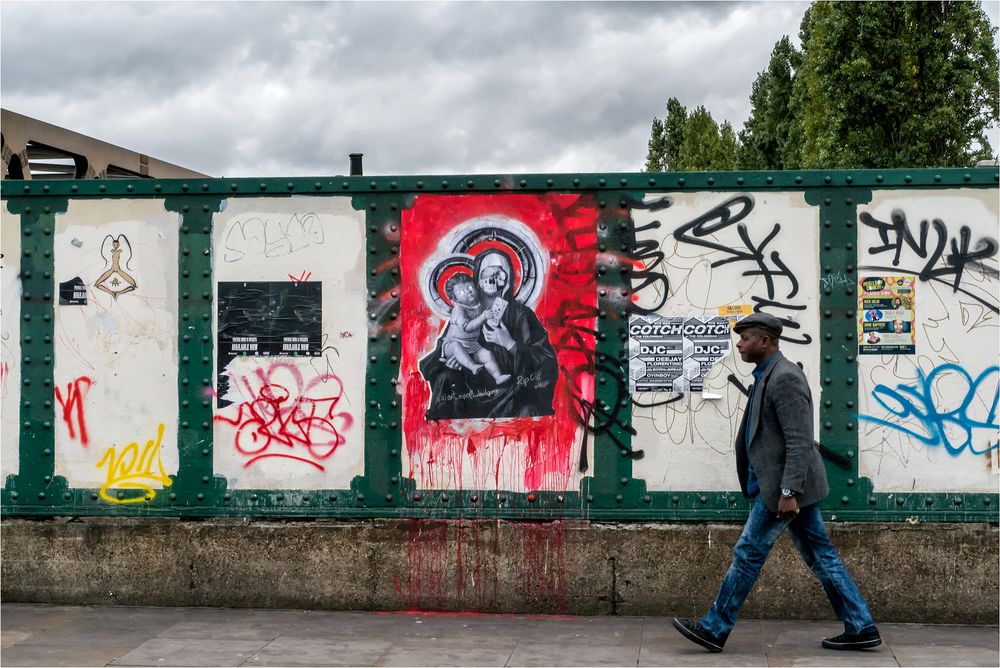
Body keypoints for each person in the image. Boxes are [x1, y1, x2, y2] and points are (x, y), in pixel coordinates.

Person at [672, 313, 880, 653]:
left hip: (782, 490)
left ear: (766, 341)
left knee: (748, 553)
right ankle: (861, 625)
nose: (739, 343)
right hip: (780, 487)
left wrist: (788, 492)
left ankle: (714, 628)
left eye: (746, 337)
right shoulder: (767, 375)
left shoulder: (784, 377)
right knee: (821, 555)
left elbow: (799, 441)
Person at [419, 249, 558, 419]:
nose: (492, 280)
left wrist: (510, 344)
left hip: (510, 389)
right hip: (472, 388)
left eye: (499, 274)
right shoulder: (467, 311)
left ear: (507, 280)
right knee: (446, 377)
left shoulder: (521, 314)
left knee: (526, 407)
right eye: (487, 274)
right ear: (478, 279)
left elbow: (546, 361)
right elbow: (447, 344)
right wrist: (452, 360)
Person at [440, 274, 511, 385]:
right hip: (452, 345)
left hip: (472, 344)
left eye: (469, 287)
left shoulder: (478, 303)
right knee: (456, 346)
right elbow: (467, 327)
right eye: (461, 292)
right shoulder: (459, 310)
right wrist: (484, 316)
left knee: (487, 355)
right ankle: (472, 366)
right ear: (455, 299)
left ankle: (498, 377)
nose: (468, 292)